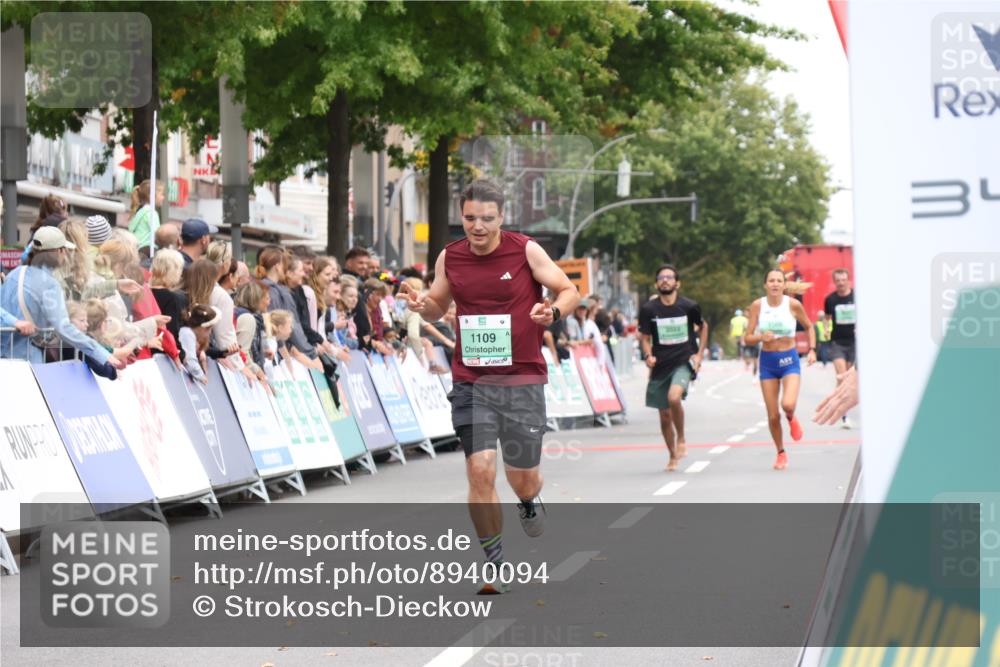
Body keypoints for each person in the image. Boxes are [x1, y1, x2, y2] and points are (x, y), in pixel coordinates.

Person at [397, 179, 579, 595]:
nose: (477, 226)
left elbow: (567, 289)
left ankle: (529, 502)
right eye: (470, 218)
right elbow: (440, 305)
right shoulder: (451, 256)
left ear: (501, 218)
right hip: (472, 380)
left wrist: (552, 312)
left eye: (487, 219)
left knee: (523, 479)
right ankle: (495, 564)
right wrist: (420, 304)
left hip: (522, 379)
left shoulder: (525, 250)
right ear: (462, 216)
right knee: (479, 470)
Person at [0, 227, 124, 369]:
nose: (65, 254)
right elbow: (64, 328)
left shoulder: (15, 273)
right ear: (58, 252)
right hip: (27, 361)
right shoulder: (50, 284)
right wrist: (101, 353)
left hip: (4, 356)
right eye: (64, 250)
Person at [744, 269, 817, 470]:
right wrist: (760, 337)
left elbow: (809, 326)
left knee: (787, 404)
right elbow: (747, 337)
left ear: (784, 285)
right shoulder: (758, 305)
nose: (775, 284)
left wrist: (812, 350)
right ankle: (780, 452)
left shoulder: (793, 305)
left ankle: (792, 418)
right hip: (768, 362)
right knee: (773, 414)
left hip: (789, 359)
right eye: (771, 281)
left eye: (779, 281)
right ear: (765, 285)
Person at [638, 264, 708, 471]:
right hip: (660, 365)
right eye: (661, 277)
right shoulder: (649, 309)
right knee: (664, 415)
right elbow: (644, 337)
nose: (665, 280)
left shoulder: (689, 306)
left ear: (677, 283)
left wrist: (699, 354)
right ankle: (672, 455)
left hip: (683, 361)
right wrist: (648, 355)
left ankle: (683, 439)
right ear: (656, 283)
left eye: (669, 277)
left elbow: (703, 327)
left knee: (674, 397)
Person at [824, 268, 857, 428]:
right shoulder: (830, 299)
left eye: (844, 280)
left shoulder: (856, 296)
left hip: (854, 342)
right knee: (842, 376)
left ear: (848, 280)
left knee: (851, 378)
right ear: (834, 281)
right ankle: (844, 416)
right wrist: (825, 328)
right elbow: (827, 317)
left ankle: (845, 407)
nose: (841, 283)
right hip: (837, 342)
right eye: (838, 280)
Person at [178, 304, 220, 384]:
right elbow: (189, 359)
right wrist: (200, 375)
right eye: (209, 329)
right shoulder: (188, 334)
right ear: (203, 328)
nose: (210, 332)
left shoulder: (189, 334)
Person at [128, 179, 165, 250]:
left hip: (137, 248)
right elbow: (157, 234)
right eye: (162, 194)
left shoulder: (141, 211)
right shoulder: (152, 214)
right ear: (152, 196)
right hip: (147, 249)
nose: (163, 198)